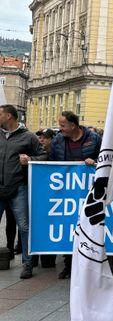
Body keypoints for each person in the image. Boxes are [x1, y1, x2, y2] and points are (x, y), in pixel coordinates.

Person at [49, 111, 102, 279]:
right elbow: (50, 162)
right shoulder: (58, 140)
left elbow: (105, 159)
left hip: (89, 192)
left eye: (63, 125)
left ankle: (89, 265)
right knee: (68, 227)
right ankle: (69, 265)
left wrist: (94, 161)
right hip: (67, 193)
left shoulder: (93, 139)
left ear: (73, 125)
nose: (60, 128)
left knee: (88, 227)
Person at [0, 104, 47, 279]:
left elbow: (43, 155)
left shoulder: (28, 137)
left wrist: (31, 159)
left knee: (24, 226)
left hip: (18, 187)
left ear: (9, 116)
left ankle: (28, 263)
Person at [35, 128, 57, 268]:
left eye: (44, 137)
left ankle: (48, 259)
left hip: (54, 196)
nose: (41, 140)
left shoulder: (57, 153)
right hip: (39, 194)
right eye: (40, 137)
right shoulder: (36, 151)